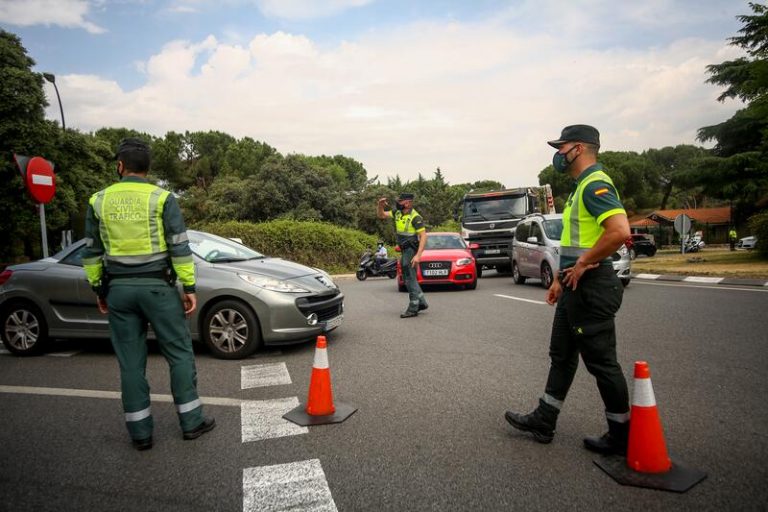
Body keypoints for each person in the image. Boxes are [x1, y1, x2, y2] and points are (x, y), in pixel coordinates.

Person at [505, 125, 632, 456]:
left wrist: (583, 264)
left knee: (601, 362)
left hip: (592, 286)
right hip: (574, 285)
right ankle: (544, 419)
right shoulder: (579, 188)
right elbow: (577, 242)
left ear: (578, 148)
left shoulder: (595, 183)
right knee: (561, 354)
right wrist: (560, 279)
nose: (558, 155)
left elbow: (619, 232)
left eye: (562, 148)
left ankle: (621, 435)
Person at [82, 138, 215, 451]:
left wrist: (99, 288)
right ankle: (191, 422)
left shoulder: (98, 200)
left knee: (130, 363)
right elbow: (180, 248)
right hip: (158, 288)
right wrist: (189, 288)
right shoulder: (162, 198)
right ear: (148, 168)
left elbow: (90, 253)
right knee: (179, 354)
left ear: (120, 166)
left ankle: (141, 433)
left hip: (119, 291)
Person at [377, 192, 428, 318]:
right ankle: (421, 302)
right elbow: (382, 215)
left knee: (409, 278)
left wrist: (418, 255)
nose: (397, 203)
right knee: (407, 277)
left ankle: (413, 308)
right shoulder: (397, 213)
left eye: (400, 201)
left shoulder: (416, 217)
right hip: (404, 250)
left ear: (408, 203)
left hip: (411, 249)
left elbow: (423, 236)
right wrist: (380, 205)